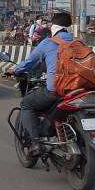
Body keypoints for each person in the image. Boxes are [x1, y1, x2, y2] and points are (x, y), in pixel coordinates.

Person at [9, 12, 74, 156]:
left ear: (53, 27)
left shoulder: (49, 43)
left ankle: (36, 143)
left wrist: (14, 70)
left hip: (58, 91)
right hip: (80, 90)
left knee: (27, 104)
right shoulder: (79, 43)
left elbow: (29, 63)